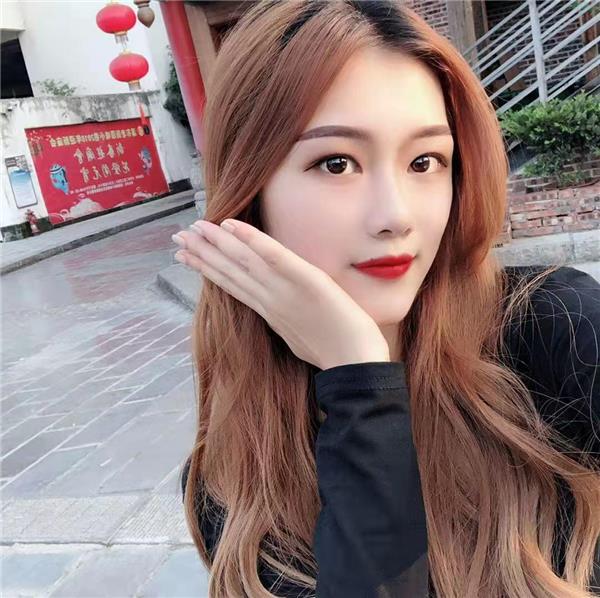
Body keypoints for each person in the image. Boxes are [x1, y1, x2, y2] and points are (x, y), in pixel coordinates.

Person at [172, 1, 600, 596]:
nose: (396, 216)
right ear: (250, 190)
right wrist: (359, 381)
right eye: (336, 163)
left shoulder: (560, 329)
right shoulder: (231, 473)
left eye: (425, 161)